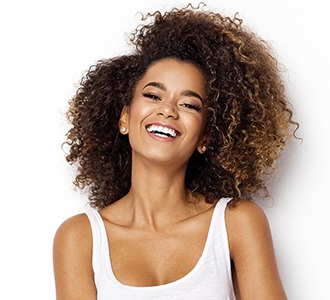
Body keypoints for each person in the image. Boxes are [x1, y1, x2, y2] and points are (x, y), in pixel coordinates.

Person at [53, 3, 298, 299]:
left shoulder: (237, 223)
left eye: (189, 104)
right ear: (124, 118)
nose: (167, 110)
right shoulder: (81, 238)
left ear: (204, 136)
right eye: (153, 95)